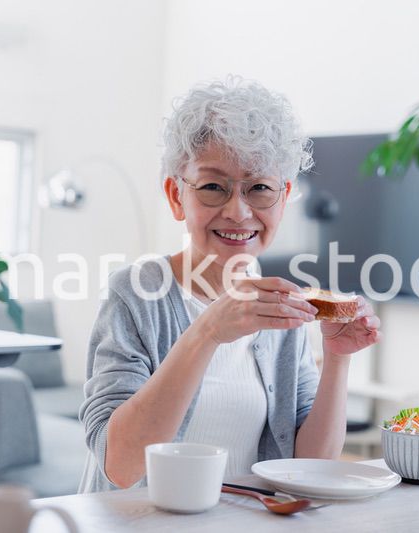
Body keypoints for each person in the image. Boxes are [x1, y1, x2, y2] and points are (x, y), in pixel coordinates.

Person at [78, 77, 381, 492]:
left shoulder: (281, 305)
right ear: (175, 196)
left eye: (259, 188)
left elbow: (310, 466)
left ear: (284, 195)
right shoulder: (135, 295)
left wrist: (337, 358)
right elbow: (121, 466)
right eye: (213, 187)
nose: (238, 212)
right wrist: (207, 331)